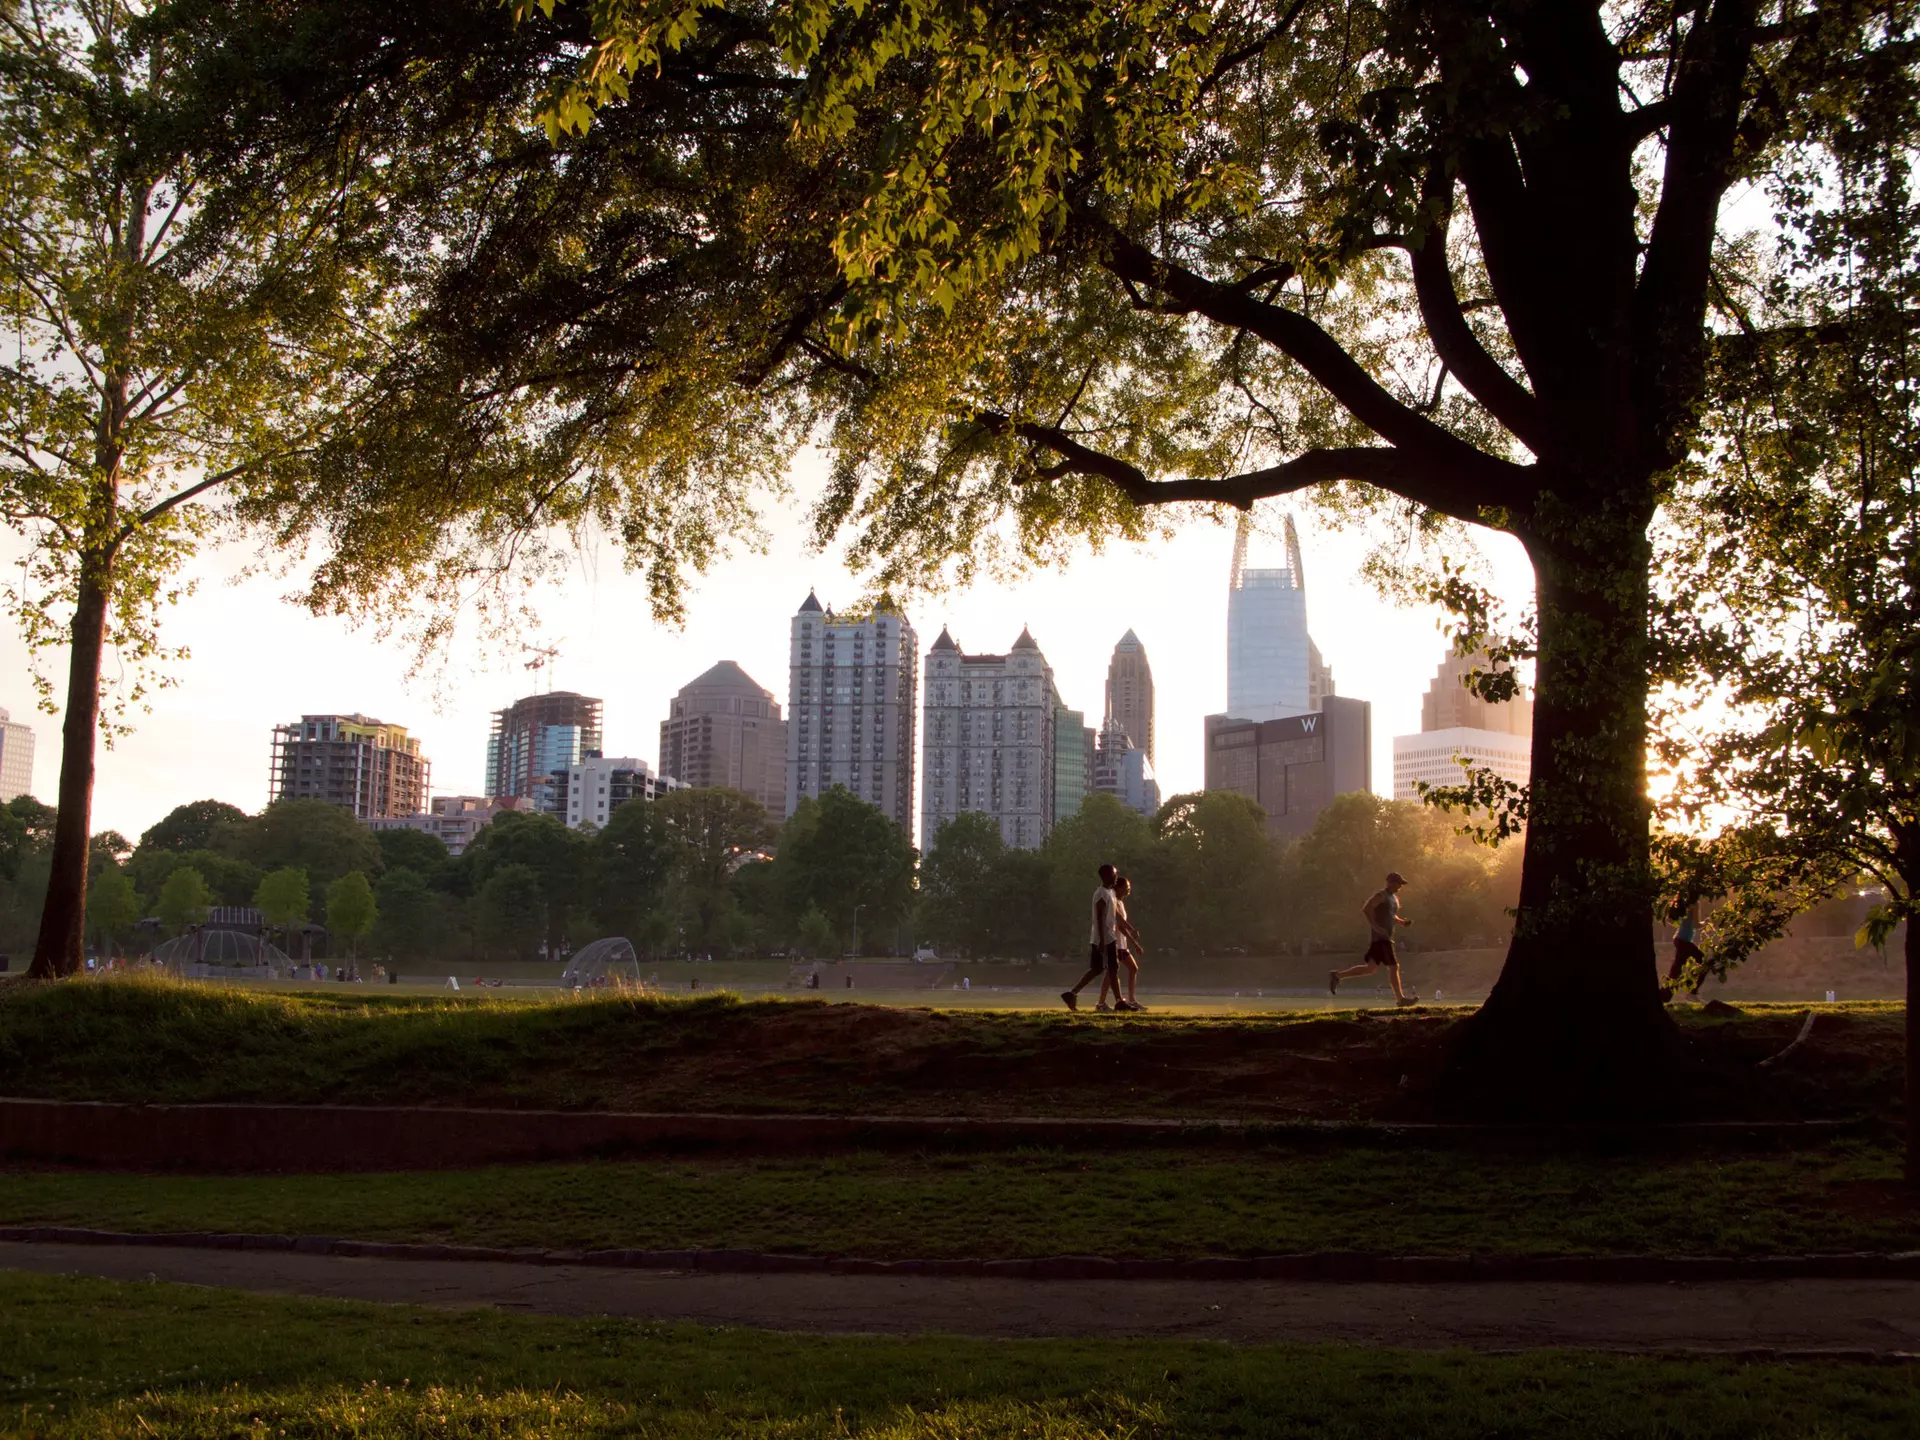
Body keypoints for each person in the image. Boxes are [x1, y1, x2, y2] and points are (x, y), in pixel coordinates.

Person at [1330, 871, 1418, 1005]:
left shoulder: (1394, 898)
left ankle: (1337, 975)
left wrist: (1401, 922)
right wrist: (1376, 927)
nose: (1400, 886)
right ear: (1390, 882)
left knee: (1370, 969)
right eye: (1398, 883)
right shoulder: (1381, 895)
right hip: (1381, 937)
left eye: (1401, 884)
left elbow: (1391, 915)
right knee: (1394, 966)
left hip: (1383, 937)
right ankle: (1400, 999)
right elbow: (1366, 909)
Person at [1062, 863, 1119, 1011]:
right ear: (1106, 876)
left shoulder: (1110, 892)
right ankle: (1119, 1002)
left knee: (1099, 968)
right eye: (1114, 874)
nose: (1116, 876)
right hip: (1104, 937)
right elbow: (1099, 918)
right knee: (1110, 968)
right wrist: (1100, 939)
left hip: (1109, 936)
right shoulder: (1101, 894)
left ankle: (1072, 993)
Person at [1100, 874, 1146, 1012]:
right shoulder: (1113, 901)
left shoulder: (1119, 902)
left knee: (1130, 969)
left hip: (1121, 944)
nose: (1128, 890)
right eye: (1126, 887)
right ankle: (1102, 1003)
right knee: (1111, 973)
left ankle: (1130, 1000)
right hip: (1116, 943)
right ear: (1118, 888)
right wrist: (1133, 936)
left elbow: (1121, 925)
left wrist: (1133, 942)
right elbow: (1119, 923)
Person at [1663, 899, 1705, 1002]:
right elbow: (1696, 925)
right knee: (1704, 962)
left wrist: (1683, 925)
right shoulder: (1695, 903)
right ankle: (1693, 993)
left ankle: (1664, 996)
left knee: (1676, 970)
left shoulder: (1680, 901)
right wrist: (1705, 922)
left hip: (1679, 939)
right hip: (1684, 941)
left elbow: (1670, 919)